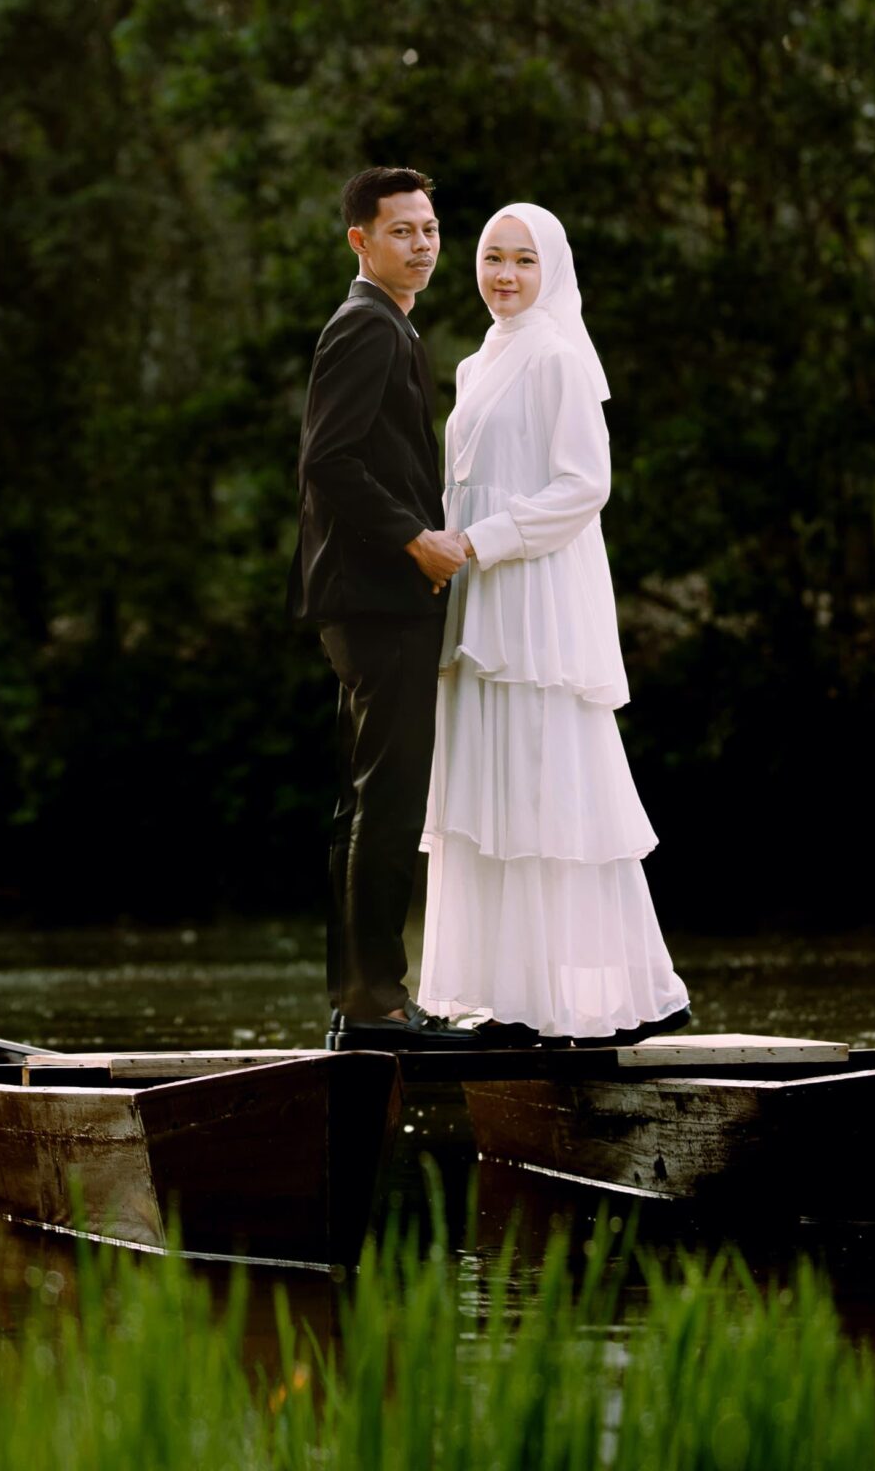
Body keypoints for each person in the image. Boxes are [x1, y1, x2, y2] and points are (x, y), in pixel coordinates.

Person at [418, 202, 690, 1044]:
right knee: (491, 790)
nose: (504, 274)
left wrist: (480, 541)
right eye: (492, 257)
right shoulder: (474, 365)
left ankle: (632, 995)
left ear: (552, 270)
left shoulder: (559, 358)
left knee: (549, 785)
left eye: (523, 260)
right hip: (477, 603)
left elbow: (583, 486)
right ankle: (512, 1000)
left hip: (535, 599)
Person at [288, 166, 471, 1048]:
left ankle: (361, 1002)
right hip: (377, 599)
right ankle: (379, 1009)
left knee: (365, 802)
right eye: (402, 230)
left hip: (367, 600)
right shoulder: (365, 324)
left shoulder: (388, 323)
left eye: (429, 229)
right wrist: (415, 539)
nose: (422, 244)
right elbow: (328, 460)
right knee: (388, 804)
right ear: (360, 240)